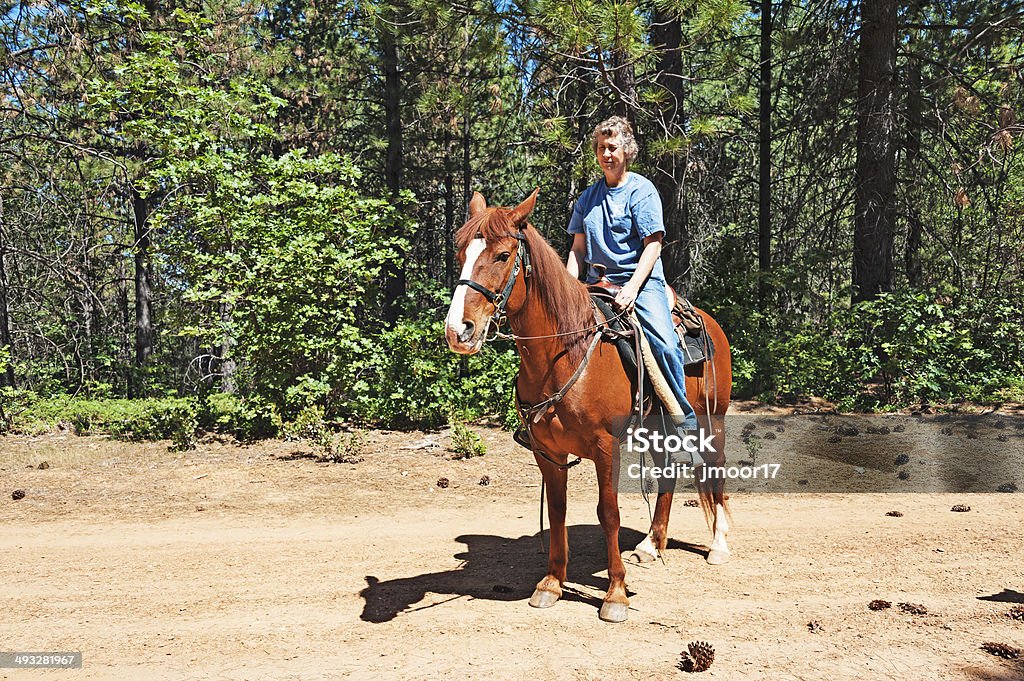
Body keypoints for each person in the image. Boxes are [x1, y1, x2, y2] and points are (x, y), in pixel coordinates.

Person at [566, 116, 699, 449]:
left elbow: (653, 244)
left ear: (626, 150)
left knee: (665, 344)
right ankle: (543, 419)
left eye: (612, 147)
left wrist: (632, 288)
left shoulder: (642, 190)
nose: (606, 154)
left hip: (641, 283)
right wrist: (568, 289)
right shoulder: (587, 198)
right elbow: (578, 249)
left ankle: (685, 424)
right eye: (600, 148)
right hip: (597, 283)